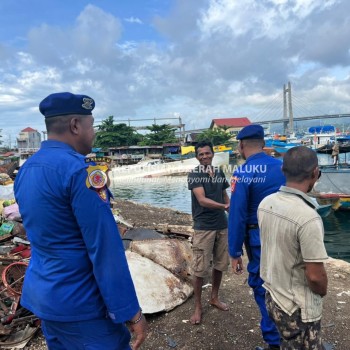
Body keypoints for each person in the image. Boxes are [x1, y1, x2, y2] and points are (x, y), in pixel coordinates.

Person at [14, 92, 147, 350]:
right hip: (83, 304)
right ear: (75, 125)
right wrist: (131, 312)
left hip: (46, 298)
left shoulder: (27, 170)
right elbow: (104, 249)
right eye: (92, 124)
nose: (94, 132)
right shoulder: (82, 172)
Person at [258, 146, 328, 349]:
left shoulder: (266, 203)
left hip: (273, 296)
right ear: (315, 173)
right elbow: (315, 277)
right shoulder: (308, 217)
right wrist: (322, 291)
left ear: (283, 171)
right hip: (296, 308)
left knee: (286, 342)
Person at [228, 125, 285, 350]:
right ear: (263, 143)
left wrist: (234, 252)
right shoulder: (282, 167)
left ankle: (274, 343)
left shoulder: (243, 172)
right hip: (286, 235)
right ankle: (290, 336)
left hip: (259, 239)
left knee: (263, 288)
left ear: (241, 145)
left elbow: (237, 214)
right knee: (285, 286)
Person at [187, 140, 230, 325]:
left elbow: (224, 194)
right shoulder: (194, 175)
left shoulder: (219, 172)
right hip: (203, 227)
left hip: (222, 225)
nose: (204, 156)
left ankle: (214, 297)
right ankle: (198, 306)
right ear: (197, 157)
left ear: (213, 154)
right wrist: (224, 206)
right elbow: (202, 200)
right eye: (201, 154)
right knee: (200, 269)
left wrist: (231, 209)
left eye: (207, 153)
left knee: (220, 265)